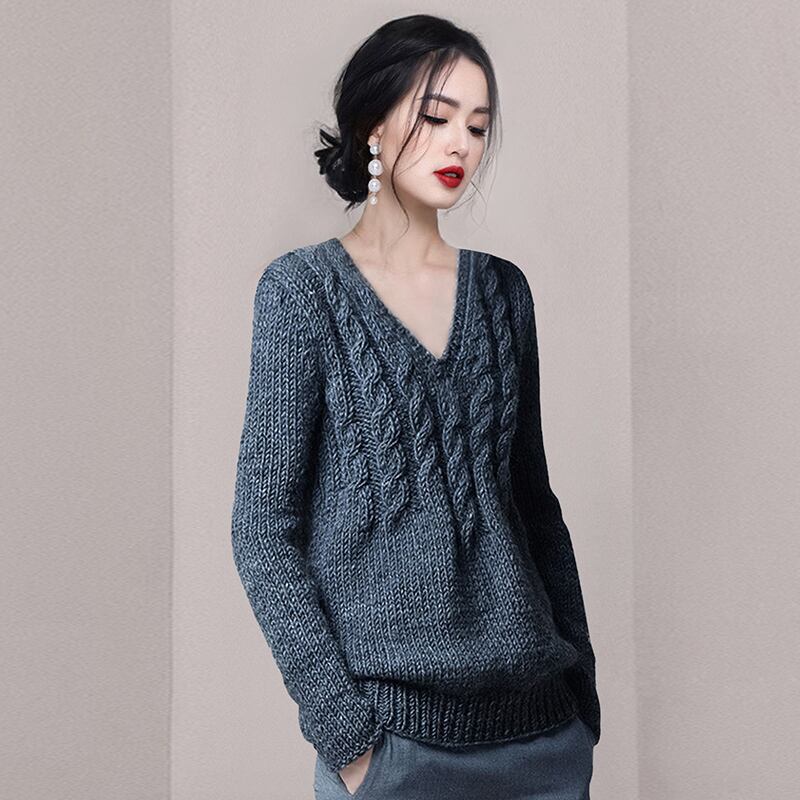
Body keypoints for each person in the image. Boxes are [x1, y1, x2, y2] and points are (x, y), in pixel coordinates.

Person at [231, 13, 600, 800]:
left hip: (541, 742)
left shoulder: (502, 294)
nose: (460, 143)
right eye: (436, 117)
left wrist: (583, 700)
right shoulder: (302, 295)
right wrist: (346, 736)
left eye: (478, 125)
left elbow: (535, 509)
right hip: (394, 750)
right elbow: (262, 530)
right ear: (373, 122)